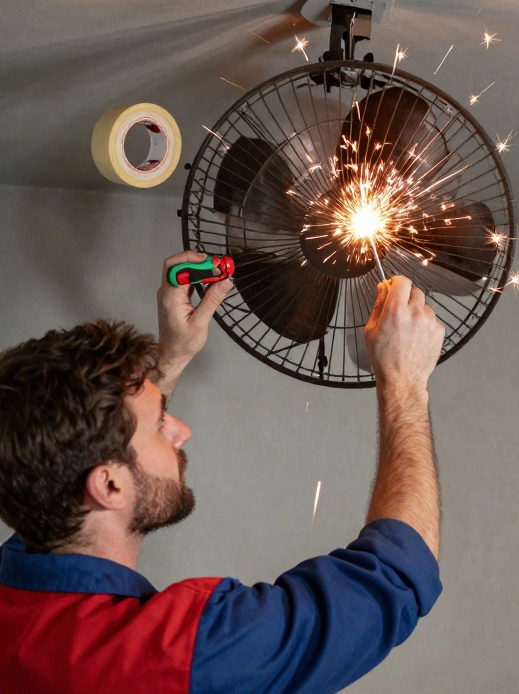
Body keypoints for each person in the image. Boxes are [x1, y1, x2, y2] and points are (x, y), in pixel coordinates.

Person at [0, 252, 447, 694]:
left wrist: (169, 360)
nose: (181, 431)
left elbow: (86, 461)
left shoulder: (26, 561)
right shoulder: (178, 654)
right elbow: (394, 579)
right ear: (109, 485)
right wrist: (403, 381)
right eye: (161, 425)